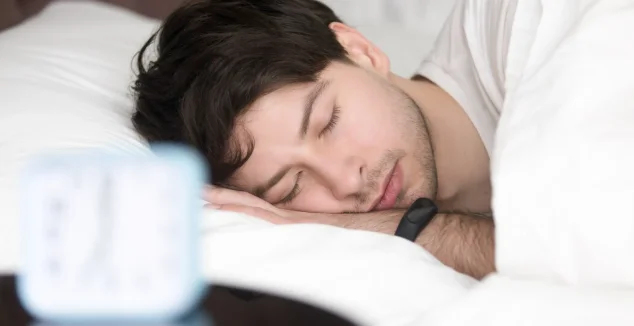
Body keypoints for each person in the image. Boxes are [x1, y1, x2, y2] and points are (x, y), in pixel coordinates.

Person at [132, 0, 516, 279]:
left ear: (360, 51)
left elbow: (568, 257)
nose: (346, 181)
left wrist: (417, 230)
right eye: (291, 186)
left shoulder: (522, 24)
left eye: (328, 122)